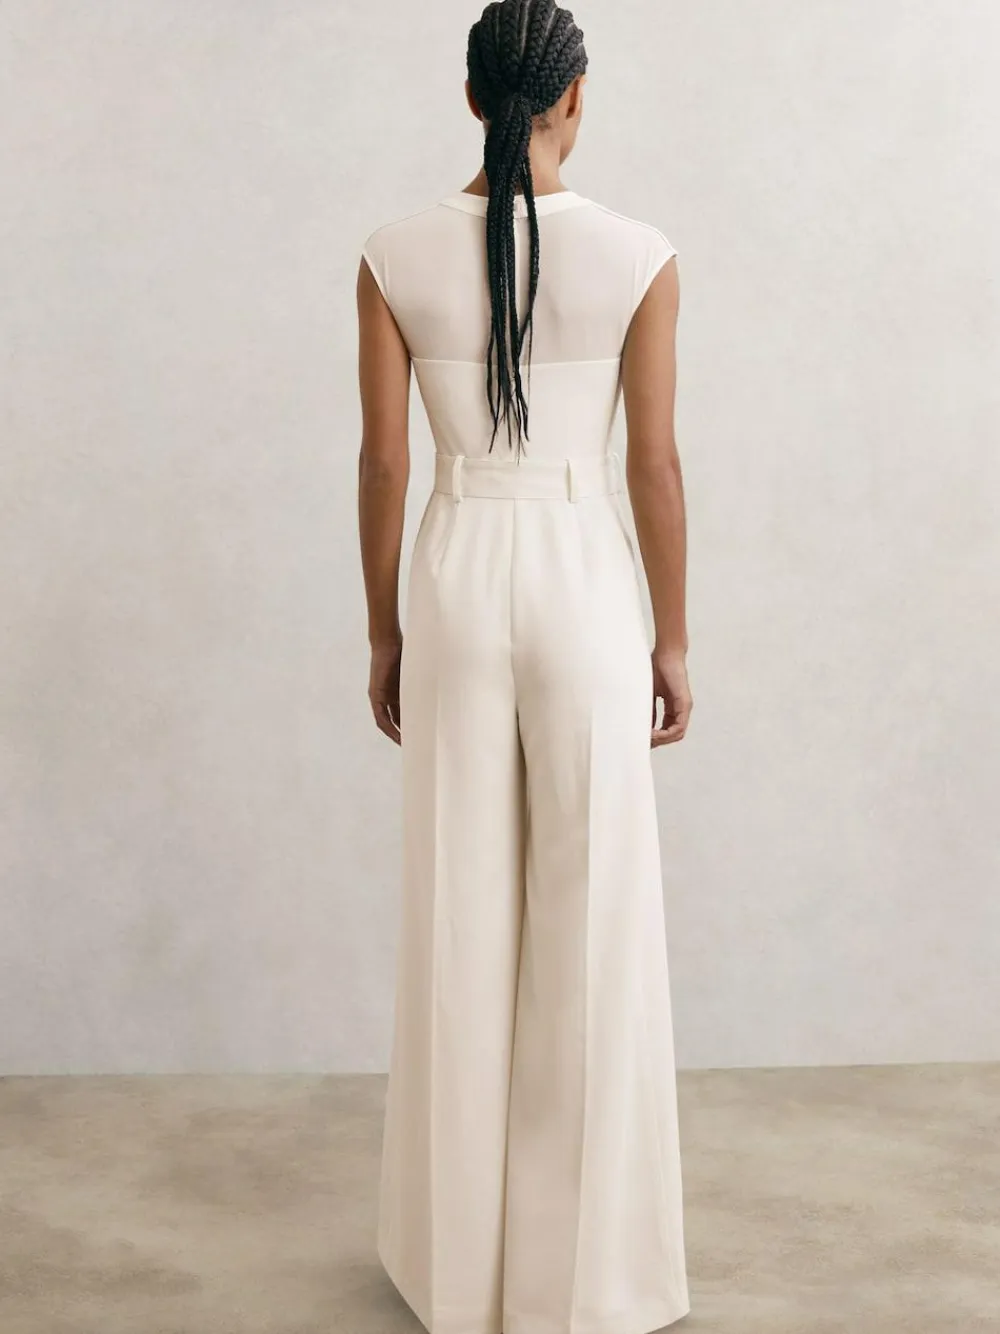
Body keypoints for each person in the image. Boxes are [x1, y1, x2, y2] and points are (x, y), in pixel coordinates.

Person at [356, 2, 692, 1330]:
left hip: (453, 571)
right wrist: (673, 635)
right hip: (582, 577)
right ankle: (588, 1280)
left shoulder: (392, 255)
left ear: (469, 95)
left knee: (460, 907)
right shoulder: (639, 256)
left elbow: (386, 464)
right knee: (591, 913)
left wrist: (383, 629)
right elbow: (653, 465)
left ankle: (456, 1272)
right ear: (577, 97)